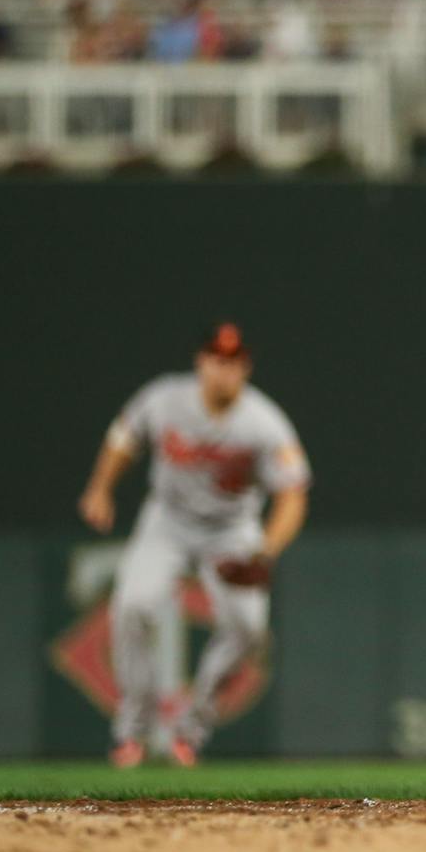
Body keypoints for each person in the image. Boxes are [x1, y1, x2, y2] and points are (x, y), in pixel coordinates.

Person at [77, 324, 310, 767]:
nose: (224, 369)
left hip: (232, 528)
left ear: (246, 368)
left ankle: (191, 727)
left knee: (248, 630)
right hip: (167, 523)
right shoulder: (164, 400)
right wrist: (100, 489)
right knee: (131, 607)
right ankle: (133, 730)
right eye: (216, 359)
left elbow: (293, 495)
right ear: (200, 362)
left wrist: (265, 549)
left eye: (233, 361)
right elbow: (123, 440)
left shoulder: (264, 423)